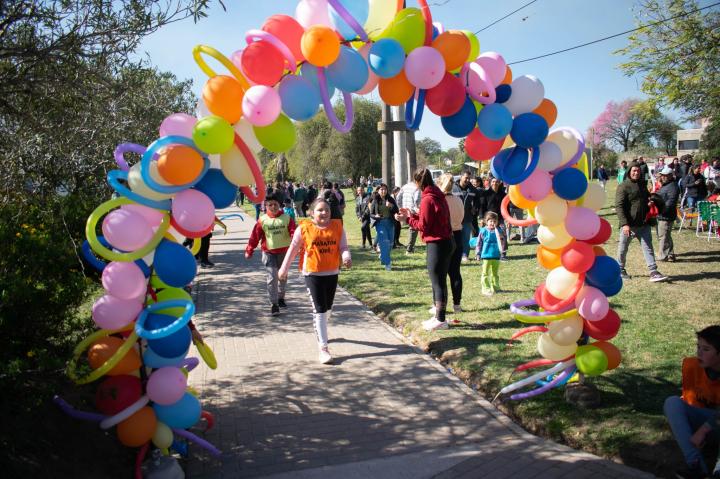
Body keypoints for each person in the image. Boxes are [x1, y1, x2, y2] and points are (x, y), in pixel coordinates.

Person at [278, 198, 351, 364]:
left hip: (332, 272)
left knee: (328, 308)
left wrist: (346, 258)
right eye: (319, 210)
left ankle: (321, 328)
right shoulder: (304, 228)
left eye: (326, 210)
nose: (324, 213)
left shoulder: (337, 226)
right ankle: (323, 348)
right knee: (319, 310)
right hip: (312, 273)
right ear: (311, 212)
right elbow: (293, 249)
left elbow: (344, 247)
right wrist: (283, 269)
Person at [396, 168, 453, 331]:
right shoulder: (437, 195)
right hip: (446, 241)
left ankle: (441, 319)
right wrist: (411, 215)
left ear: (418, 182)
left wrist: (407, 219)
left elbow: (423, 226)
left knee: (438, 282)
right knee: (439, 281)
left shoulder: (427, 199)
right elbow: (428, 218)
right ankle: (438, 316)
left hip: (437, 244)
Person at [664, 326, 720, 479]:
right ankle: (696, 466)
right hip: (709, 426)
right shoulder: (692, 366)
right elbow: (692, 401)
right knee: (672, 402)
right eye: (698, 347)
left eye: (706, 349)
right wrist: (699, 432)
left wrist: (703, 430)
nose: (699, 353)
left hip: (712, 426)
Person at [245, 193, 297, 316]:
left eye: (275, 204)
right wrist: (249, 249)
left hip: (284, 253)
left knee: (282, 276)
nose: (273, 207)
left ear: (280, 205)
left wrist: (297, 244)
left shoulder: (286, 218)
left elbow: (294, 232)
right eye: (270, 205)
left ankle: (281, 297)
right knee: (272, 278)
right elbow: (255, 236)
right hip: (269, 253)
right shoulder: (262, 220)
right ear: (266, 206)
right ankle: (274, 304)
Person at [615, 163, 668, 282]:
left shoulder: (643, 185)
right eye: (634, 171)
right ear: (629, 172)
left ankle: (653, 271)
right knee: (623, 248)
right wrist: (624, 224)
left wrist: (649, 204)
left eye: (638, 171)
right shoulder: (623, 186)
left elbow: (645, 200)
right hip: (629, 225)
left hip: (643, 224)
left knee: (648, 247)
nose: (636, 173)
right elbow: (619, 206)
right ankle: (620, 270)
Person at [437, 173, 464, 317]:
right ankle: (457, 304)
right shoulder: (459, 200)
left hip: (445, 236)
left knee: (440, 274)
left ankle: (440, 304)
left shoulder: (440, 201)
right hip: (458, 235)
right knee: (455, 273)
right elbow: (462, 217)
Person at [475, 211, 506, 295]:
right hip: (486, 256)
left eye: (494, 221)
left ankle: (496, 287)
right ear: (486, 221)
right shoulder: (483, 231)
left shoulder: (498, 230)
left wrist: (503, 250)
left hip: (496, 255)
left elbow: (502, 241)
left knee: (495, 273)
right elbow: (479, 243)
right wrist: (478, 253)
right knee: (485, 273)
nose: (492, 223)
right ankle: (486, 288)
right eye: (491, 221)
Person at [452, 171, 480, 261]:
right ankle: (454, 255)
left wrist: (475, 208)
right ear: (461, 177)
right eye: (466, 178)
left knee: (466, 238)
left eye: (469, 178)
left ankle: (465, 255)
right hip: (454, 218)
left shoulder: (472, 189)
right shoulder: (453, 188)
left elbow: (478, 200)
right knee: (455, 238)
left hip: (467, 218)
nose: (467, 180)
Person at [369, 184, 398, 271]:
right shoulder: (375, 200)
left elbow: (396, 210)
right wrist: (376, 216)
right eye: (381, 189)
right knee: (384, 242)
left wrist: (391, 206)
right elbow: (371, 214)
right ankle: (387, 263)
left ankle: (383, 255)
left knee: (390, 243)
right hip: (380, 223)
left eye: (385, 189)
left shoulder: (390, 199)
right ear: (378, 190)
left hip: (390, 223)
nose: (383, 191)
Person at [656, 166, 680, 263]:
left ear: (670, 176)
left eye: (665, 175)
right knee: (666, 235)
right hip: (664, 214)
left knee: (663, 236)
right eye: (662, 175)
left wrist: (661, 210)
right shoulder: (666, 185)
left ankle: (662, 256)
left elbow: (671, 202)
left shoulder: (672, 187)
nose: (663, 177)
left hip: (666, 215)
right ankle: (670, 254)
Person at [396, 178, 421, 254]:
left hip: (406, 209)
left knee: (412, 229)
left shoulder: (404, 186)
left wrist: (400, 207)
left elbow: (398, 198)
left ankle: (410, 248)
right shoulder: (417, 188)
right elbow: (417, 200)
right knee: (413, 229)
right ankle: (409, 249)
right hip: (413, 210)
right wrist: (417, 208)